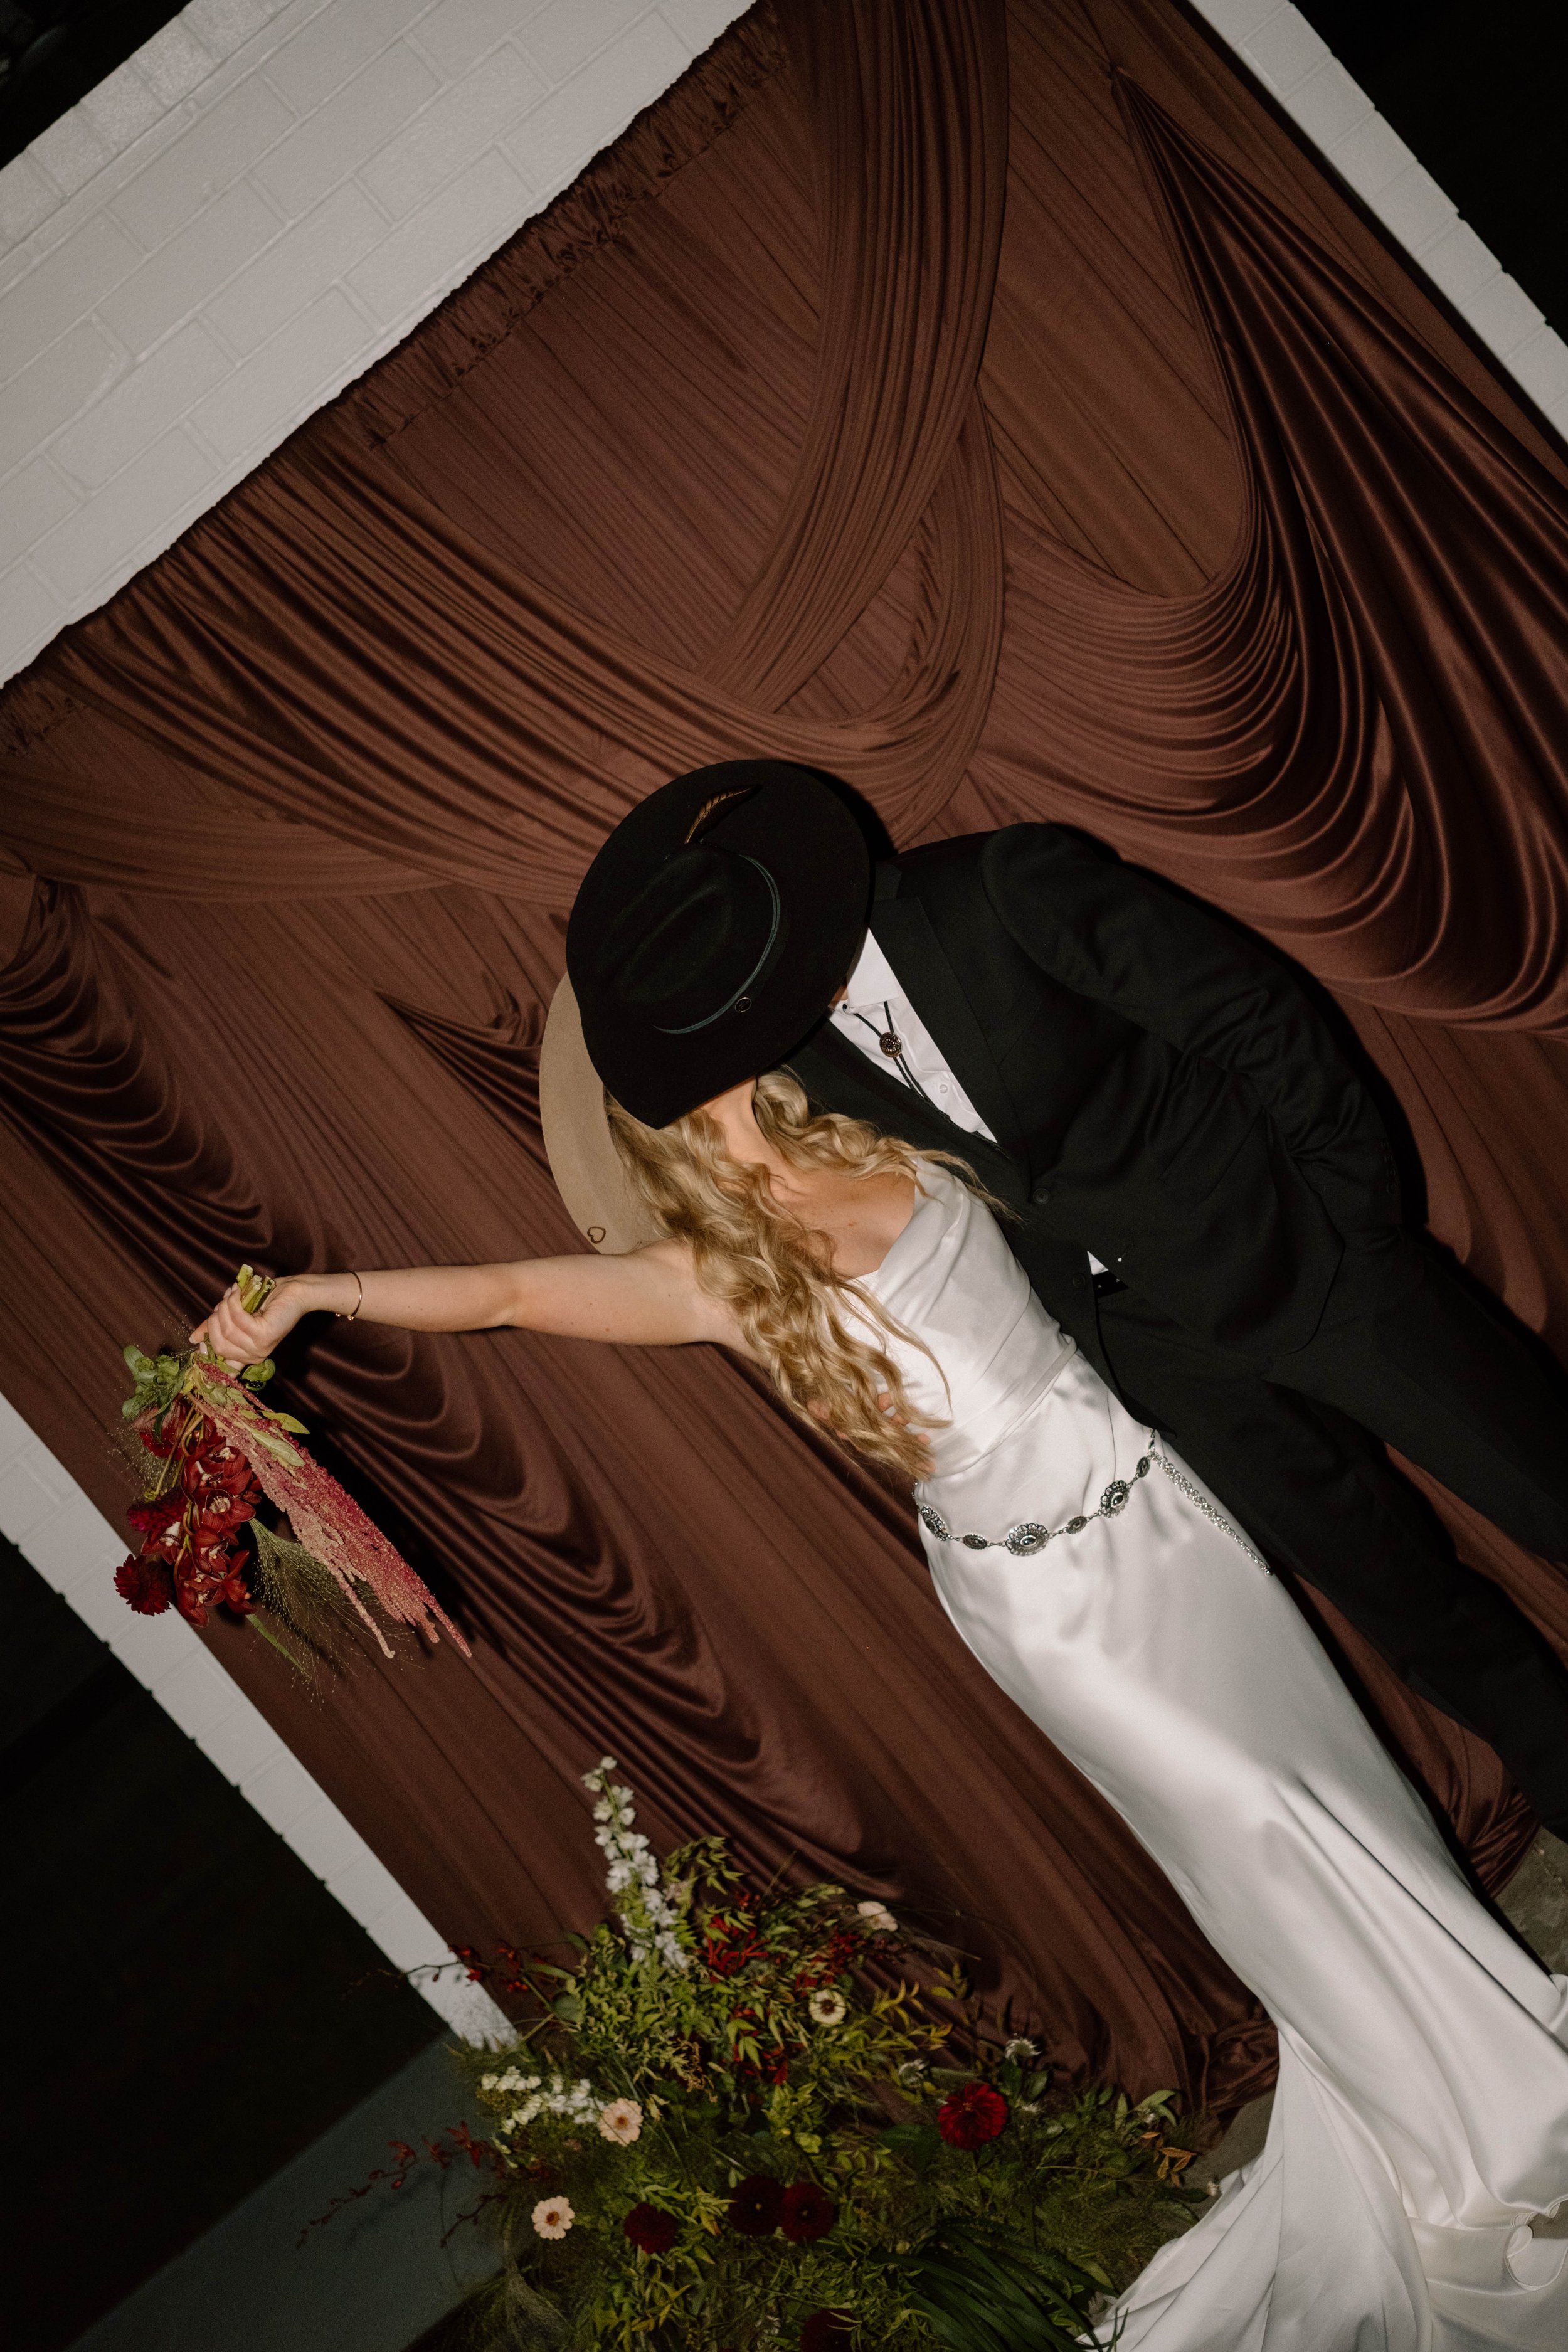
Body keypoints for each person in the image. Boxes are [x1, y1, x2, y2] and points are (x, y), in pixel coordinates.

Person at [194, 1051, 1568, 2346]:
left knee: (1339, 1788)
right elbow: (503, 1292)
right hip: (1057, 1609)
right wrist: (321, 1294)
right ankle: (1466, 2140)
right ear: (648, 1120)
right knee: (1259, 1838)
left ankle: (1478, 2054)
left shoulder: (892, 1136)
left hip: (1166, 1512)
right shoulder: (715, 1278)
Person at [563, 761, 1568, 1839]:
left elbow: (1251, 1012)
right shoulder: (784, 1075)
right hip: (1154, 1366)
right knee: (1417, 1612)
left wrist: (1355, 1220)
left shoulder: (1000, 886)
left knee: (1544, 1477)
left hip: (1314, 1258)